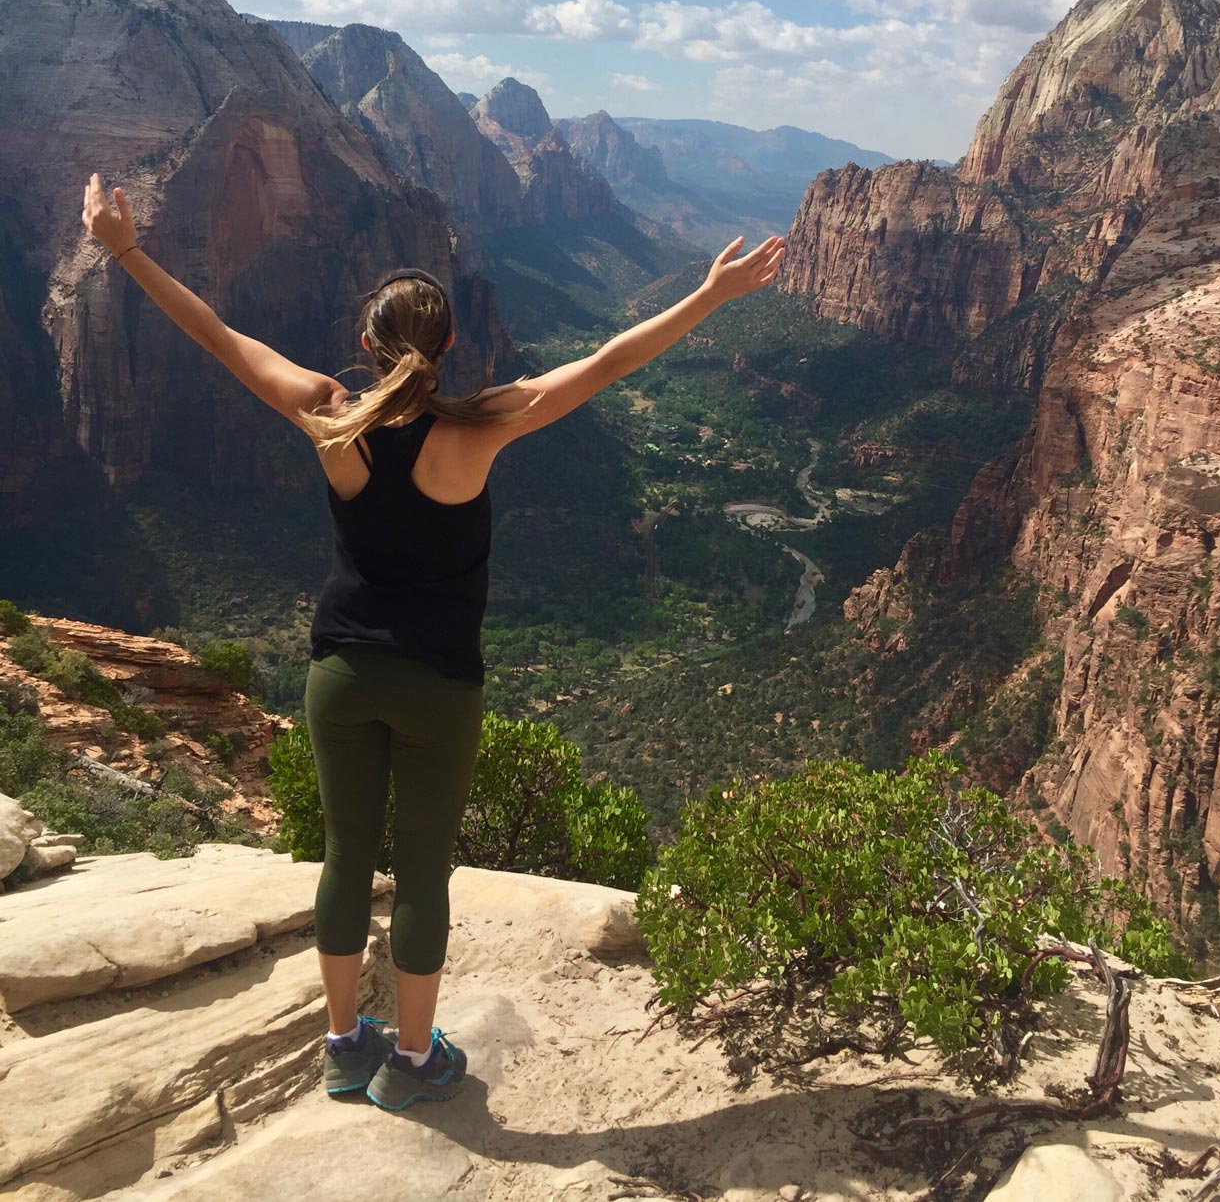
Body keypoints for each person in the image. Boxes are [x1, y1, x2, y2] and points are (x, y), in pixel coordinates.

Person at [81, 171, 785, 1109]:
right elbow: (612, 361)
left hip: (337, 674)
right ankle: (412, 1061)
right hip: (437, 687)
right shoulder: (480, 426)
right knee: (420, 868)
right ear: (453, 346)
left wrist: (126, 251)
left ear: (368, 346)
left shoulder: (330, 411)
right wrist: (708, 295)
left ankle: (342, 1044)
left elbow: (223, 339)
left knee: (343, 853)